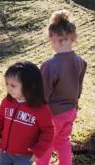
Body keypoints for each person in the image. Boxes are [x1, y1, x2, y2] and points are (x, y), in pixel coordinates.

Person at [36, 10, 87, 165]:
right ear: (72, 38)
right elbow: (79, 88)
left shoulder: (50, 65)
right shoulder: (81, 62)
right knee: (63, 140)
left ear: (52, 38)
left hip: (52, 113)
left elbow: (43, 94)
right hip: (71, 110)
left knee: (46, 142)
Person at [0, 61, 55, 165]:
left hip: (25, 156)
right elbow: (0, 120)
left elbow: (48, 131)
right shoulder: (7, 102)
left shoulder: (41, 109)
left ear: (30, 86)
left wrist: (39, 151)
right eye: (7, 84)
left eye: (13, 85)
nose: (9, 88)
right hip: (5, 152)